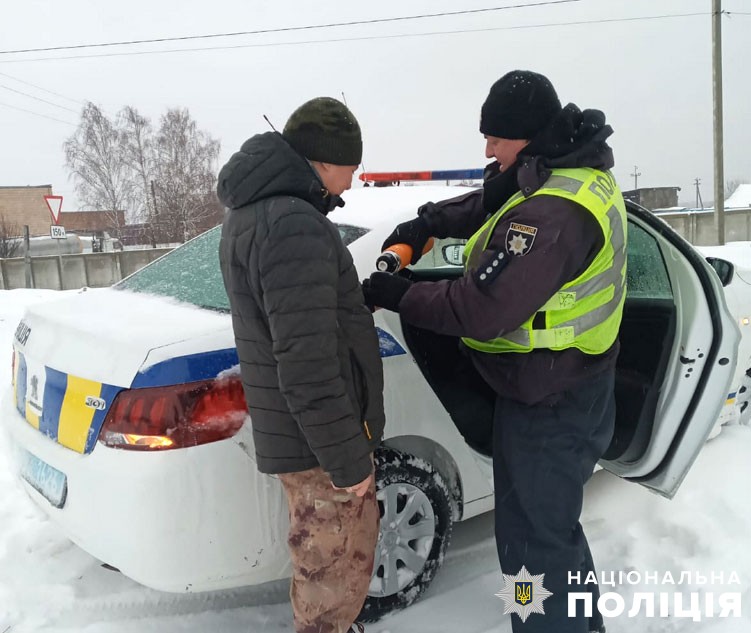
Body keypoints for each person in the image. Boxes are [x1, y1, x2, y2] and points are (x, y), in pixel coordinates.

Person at [362, 70, 626, 633]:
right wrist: (428, 223)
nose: (488, 149)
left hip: (551, 403)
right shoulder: (565, 172)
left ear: (527, 137)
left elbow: (480, 307)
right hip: (568, 384)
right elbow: (493, 201)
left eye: (496, 139)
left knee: (533, 549)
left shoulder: (554, 216)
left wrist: (400, 293)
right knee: (554, 531)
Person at [217, 97, 384, 633]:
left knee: (322, 566)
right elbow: (307, 360)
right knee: (332, 574)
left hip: (302, 434)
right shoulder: (295, 225)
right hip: (319, 444)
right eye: (350, 169)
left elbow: (296, 325)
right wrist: (348, 460)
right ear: (325, 160)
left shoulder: (252, 214)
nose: (351, 184)